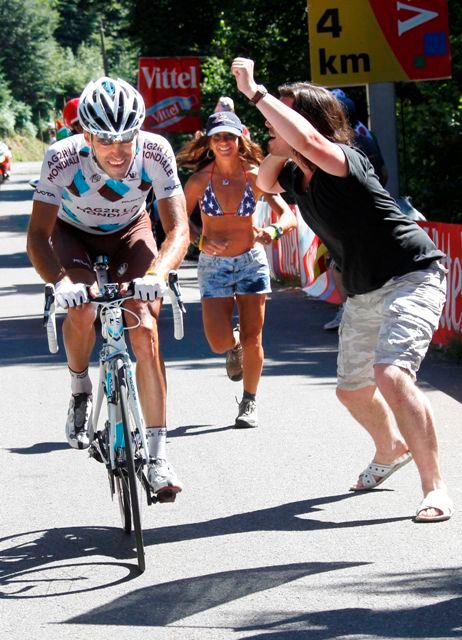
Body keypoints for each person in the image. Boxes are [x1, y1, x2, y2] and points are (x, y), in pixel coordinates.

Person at [231, 57, 453, 522]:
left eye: (282, 115)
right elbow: (262, 180)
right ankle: (392, 448)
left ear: (307, 123)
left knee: (392, 375)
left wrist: (256, 93)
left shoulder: (345, 160)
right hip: (363, 290)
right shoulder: (297, 174)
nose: (270, 121)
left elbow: (309, 141)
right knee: (352, 391)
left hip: (411, 273)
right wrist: (277, 146)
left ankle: (435, 488)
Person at [26, 76, 189, 503]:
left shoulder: (155, 151)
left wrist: (158, 275)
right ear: (86, 134)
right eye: (105, 140)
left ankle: (157, 456)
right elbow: (38, 236)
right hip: (72, 234)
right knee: (81, 309)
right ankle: (80, 388)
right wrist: (58, 283)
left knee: (146, 327)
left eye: (126, 138)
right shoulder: (61, 158)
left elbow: (177, 230)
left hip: (131, 231)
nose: (118, 151)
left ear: (139, 131)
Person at [176, 110, 296, 428]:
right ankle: (233, 345)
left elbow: (288, 216)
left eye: (229, 136)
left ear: (240, 138)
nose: (224, 142)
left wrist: (270, 232)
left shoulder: (256, 175)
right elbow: (175, 221)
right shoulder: (199, 181)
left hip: (250, 263)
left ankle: (249, 402)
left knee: (254, 336)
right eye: (218, 137)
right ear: (209, 142)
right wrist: (199, 241)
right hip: (213, 266)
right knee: (217, 341)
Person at [323, 89, 389, 332]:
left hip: (353, 209)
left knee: (340, 263)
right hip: (373, 204)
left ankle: (350, 311)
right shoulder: (366, 132)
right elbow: (383, 171)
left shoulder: (343, 138)